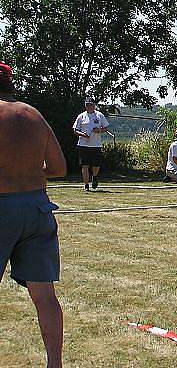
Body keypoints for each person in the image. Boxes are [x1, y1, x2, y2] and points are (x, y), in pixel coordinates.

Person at [0, 62, 67, 368]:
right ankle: (55, 364)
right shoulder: (33, 115)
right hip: (37, 208)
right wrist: (26, 172)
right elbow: (59, 168)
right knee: (45, 296)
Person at [72, 98, 109, 191]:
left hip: (96, 144)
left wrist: (99, 130)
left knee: (96, 165)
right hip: (83, 144)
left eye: (91, 105)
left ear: (94, 105)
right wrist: (83, 135)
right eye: (87, 105)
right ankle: (86, 185)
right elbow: (75, 130)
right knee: (85, 165)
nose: (89, 107)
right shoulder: (81, 116)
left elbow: (106, 128)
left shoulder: (99, 115)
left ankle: (95, 177)